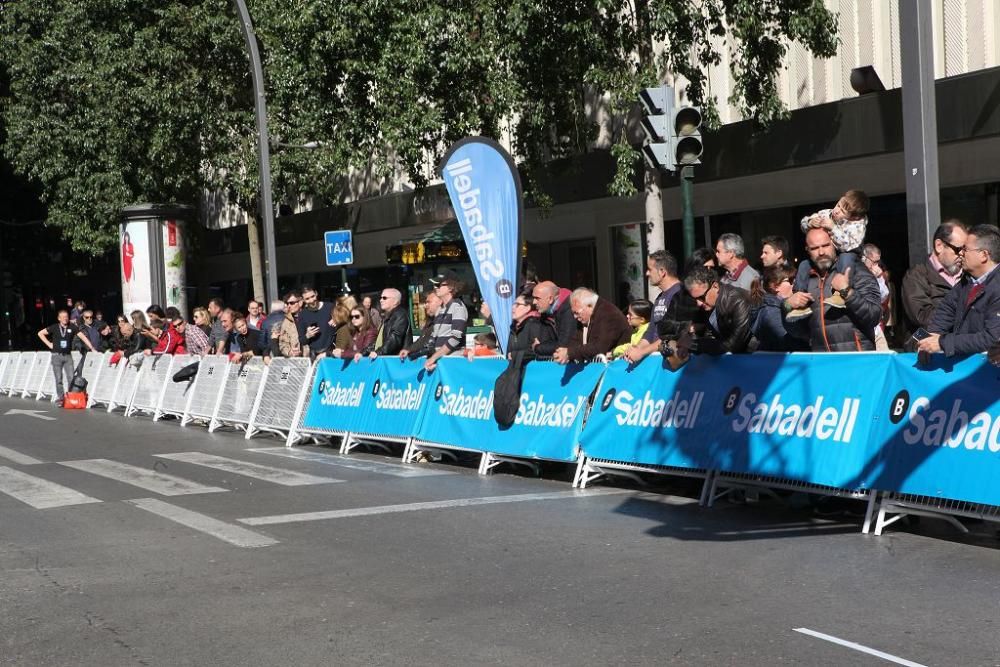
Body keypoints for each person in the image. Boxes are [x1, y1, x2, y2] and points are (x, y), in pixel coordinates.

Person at [784, 227, 883, 351]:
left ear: (834, 243)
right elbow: (798, 332)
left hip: (856, 362)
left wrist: (846, 291)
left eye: (825, 245)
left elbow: (874, 316)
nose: (821, 252)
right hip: (823, 362)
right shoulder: (805, 278)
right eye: (814, 248)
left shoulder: (856, 270)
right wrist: (787, 306)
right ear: (807, 250)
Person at [920, 224, 1000, 357]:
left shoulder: (997, 287)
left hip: (988, 371)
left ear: (984, 255)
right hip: (964, 365)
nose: (960, 253)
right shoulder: (967, 281)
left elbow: (993, 338)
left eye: (965, 249)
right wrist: (932, 337)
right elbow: (946, 311)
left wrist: (943, 343)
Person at [796, 189, 870, 298]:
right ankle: (800, 294)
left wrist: (833, 228)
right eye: (838, 205)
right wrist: (810, 222)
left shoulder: (857, 226)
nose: (837, 211)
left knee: (846, 258)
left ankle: (839, 294)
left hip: (849, 255)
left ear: (853, 217)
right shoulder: (829, 213)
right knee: (804, 265)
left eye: (843, 212)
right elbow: (804, 223)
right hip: (832, 256)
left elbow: (847, 246)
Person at [901, 220, 968, 333]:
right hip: (927, 345)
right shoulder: (916, 276)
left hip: (964, 344)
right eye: (958, 249)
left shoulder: (968, 276)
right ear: (939, 246)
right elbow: (922, 316)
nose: (961, 255)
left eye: (964, 250)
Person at [624, 250, 682, 363]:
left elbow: (672, 335)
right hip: (656, 362)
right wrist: (637, 348)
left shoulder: (680, 294)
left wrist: (642, 352)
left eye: (650, 269)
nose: (647, 273)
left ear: (662, 272)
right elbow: (651, 331)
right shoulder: (660, 297)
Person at [683, 266, 756, 354]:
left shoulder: (739, 301)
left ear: (715, 286)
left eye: (702, 297)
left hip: (759, 359)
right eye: (694, 299)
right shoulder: (708, 305)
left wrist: (693, 345)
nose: (699, 303)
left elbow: (735, 345)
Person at [552, 287, 630, 363]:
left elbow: (599, 347)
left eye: (576, 313)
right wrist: (563, 352)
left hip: (618, 368)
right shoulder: (588, 316)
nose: (575, 317)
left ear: (589, 306)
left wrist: (569, 353)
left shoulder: (608, 314)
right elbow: (576, 340)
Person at [37, 309, 97, 405]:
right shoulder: (54, 327)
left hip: (68, 356)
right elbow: (40, 333)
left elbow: (82, 336)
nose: (65, 318)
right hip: (56, 355)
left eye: (67, 317)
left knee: (71, 378)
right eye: (63, 317)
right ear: (59, 318)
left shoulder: (72, 327)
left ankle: (71, 398)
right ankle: (61, 398)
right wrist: (49, 344)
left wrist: (92, 348)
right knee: (59, 378)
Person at [751, 265, 809, 352]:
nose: (795, 284)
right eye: (790, 280)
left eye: (795, 280)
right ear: (775, 286)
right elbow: (788, 341)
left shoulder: (780, 306)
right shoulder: (770, 312)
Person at [422, 276, 469, 371]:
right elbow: (433, 337)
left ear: (450, 288)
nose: (435, 287)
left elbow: (456, 338)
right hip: (440, 363)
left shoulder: (458, 307)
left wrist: (434, 357)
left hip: (452, 363)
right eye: (435, 285)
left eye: (438, 285)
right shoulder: (442, 310)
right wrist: (426, 355)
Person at [531, 281, 576, 358]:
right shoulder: (546, 311)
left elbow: (564, 345)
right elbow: (543, 341)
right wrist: (541, 347)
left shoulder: (570, 309)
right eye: (533, 298)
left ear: (550, 299)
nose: (534, 302)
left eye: (537, 298)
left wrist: (537, 348)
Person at [364, 288, 411, 357]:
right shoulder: (388, 316)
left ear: (395, 301)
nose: (381, 300)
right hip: (386, 360)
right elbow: (379, 341)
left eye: (384, 298)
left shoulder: (400, 314)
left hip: (396, 362)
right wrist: (364, 352)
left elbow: (394, 338)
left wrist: (378, 352)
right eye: (381, 298)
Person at [506, 292, 556, 357]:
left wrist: (515, 354)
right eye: (513, 304)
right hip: (516, 366)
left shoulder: (536, 325)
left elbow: (540, 349)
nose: (513, 307)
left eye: (517, 304)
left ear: (528, 308)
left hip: (536, 366)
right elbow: (509, 352)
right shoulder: (513, 327)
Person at [400, 291, 443, 360]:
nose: (425, 306)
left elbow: (432, 345)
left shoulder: (445, 321)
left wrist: (416, 353)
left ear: (440, 302)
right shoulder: (430, 322)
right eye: (425, 302)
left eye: (429, 302)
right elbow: (422, 340)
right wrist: (409, 350)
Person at [297, 285, 334, 358]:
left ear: (316, 293)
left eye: (312, 296)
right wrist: (308, 335)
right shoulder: (302, 315)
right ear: (303, 300)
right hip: (314, 354)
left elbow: (343, 324)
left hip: (330, 352)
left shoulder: (330, 307)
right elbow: (302, 340)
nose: (311, 300)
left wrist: (337, 319)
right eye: (307, 299)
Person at [270, 291, 303, 358]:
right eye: (287, 303)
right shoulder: (286, 321)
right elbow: (283, 343)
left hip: (311, 360)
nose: (289, 306)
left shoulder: (309, 316)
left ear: (300, 302)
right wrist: (289, 352)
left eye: (292, 303)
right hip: (295, 361)